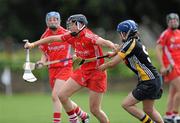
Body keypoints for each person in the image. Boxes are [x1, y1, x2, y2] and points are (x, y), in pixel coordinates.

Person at [24, 14, 117, 123]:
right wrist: (33, 44)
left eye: (72, 24)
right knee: (61, 95)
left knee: (95, 110)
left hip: (98, 73)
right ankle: (74, 120)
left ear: (80, 25)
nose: (69, 27)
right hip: (83, 71)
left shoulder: (89, 36)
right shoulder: (71, 35)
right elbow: (53, 38)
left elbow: (104, 41)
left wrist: (113, 48)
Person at [98, 20, 164, 123]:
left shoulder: (131, 44)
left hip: (149, 81)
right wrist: (113, 53)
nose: (120, 35)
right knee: (148, 110)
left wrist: (102, 67)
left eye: (121, 33)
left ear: (126, 33)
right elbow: (122, 48)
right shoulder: (133, 41)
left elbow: (113, 63)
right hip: (153, 79)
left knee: (127, 104)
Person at [37, 12, 89, 123]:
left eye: (55, 19)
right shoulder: (44, 36)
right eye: (50, 20)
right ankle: (83, 115)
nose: (52, 21)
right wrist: (41, 62)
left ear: (59, 21)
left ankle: (58, 121)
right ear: (46, 22)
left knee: (55, 96)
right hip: (52, 70)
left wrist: (76, 53)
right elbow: (44, 54)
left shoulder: (67, 33)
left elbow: (78, 44)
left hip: (65, 68)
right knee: (62, 97)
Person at [156, 13, 180, 123]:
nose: (174, 22)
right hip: (170, 67)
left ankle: (168, 115)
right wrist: (163, 66)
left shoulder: (179, 33)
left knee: (173, 92)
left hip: (178, 66)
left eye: (175, 20)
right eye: (171, 21)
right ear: (168, 22)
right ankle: (175, 115)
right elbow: (158, 49)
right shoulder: (165, 34)